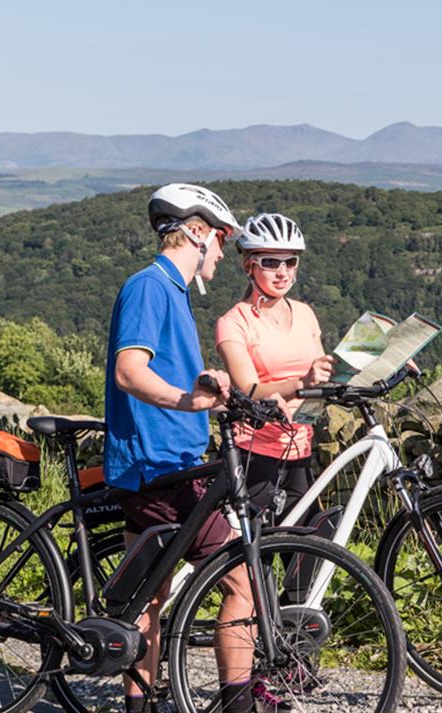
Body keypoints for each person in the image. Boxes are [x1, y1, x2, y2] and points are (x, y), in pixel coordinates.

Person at [104, 183, 273, 713]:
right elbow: (129, 373)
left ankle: (140, 706)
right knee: (243, 583)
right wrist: (188, 401)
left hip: (167, 465)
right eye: (221, 239)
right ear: (197, 233)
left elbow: (169, 373)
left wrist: (215, 394)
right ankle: (240, 705)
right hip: (156, 468)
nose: (224, 251)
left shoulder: (171, 292)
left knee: (146, 598)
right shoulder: (150, 287)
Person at [215, 213, 333, 524]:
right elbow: (248, 388)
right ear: (249, 265)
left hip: (300, 449)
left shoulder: (306, 314)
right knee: (261, 560)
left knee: (308, 556)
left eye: (290, 262)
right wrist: (301, 382)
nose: (282, 272)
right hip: (256, 455)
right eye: (270, 262)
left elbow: (326, 374)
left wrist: (388, 363)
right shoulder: (234, 322)